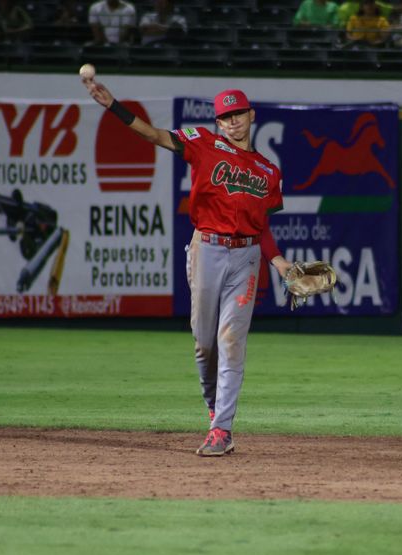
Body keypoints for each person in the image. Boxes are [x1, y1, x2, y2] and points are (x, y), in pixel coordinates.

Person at [82, 78, 293, 457]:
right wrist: (113, 104)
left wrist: (278, 262)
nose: (232, 122)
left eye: (238, 114)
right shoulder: (201, 143)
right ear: (218, 122)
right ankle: (214, 408)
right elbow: (153, 135)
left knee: (231, 343)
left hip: (246, 259)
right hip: (207, 250)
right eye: (225, 116)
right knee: (203, 344)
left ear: (251, 115)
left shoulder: (268, 171)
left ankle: (221, 429)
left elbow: (263, 227)